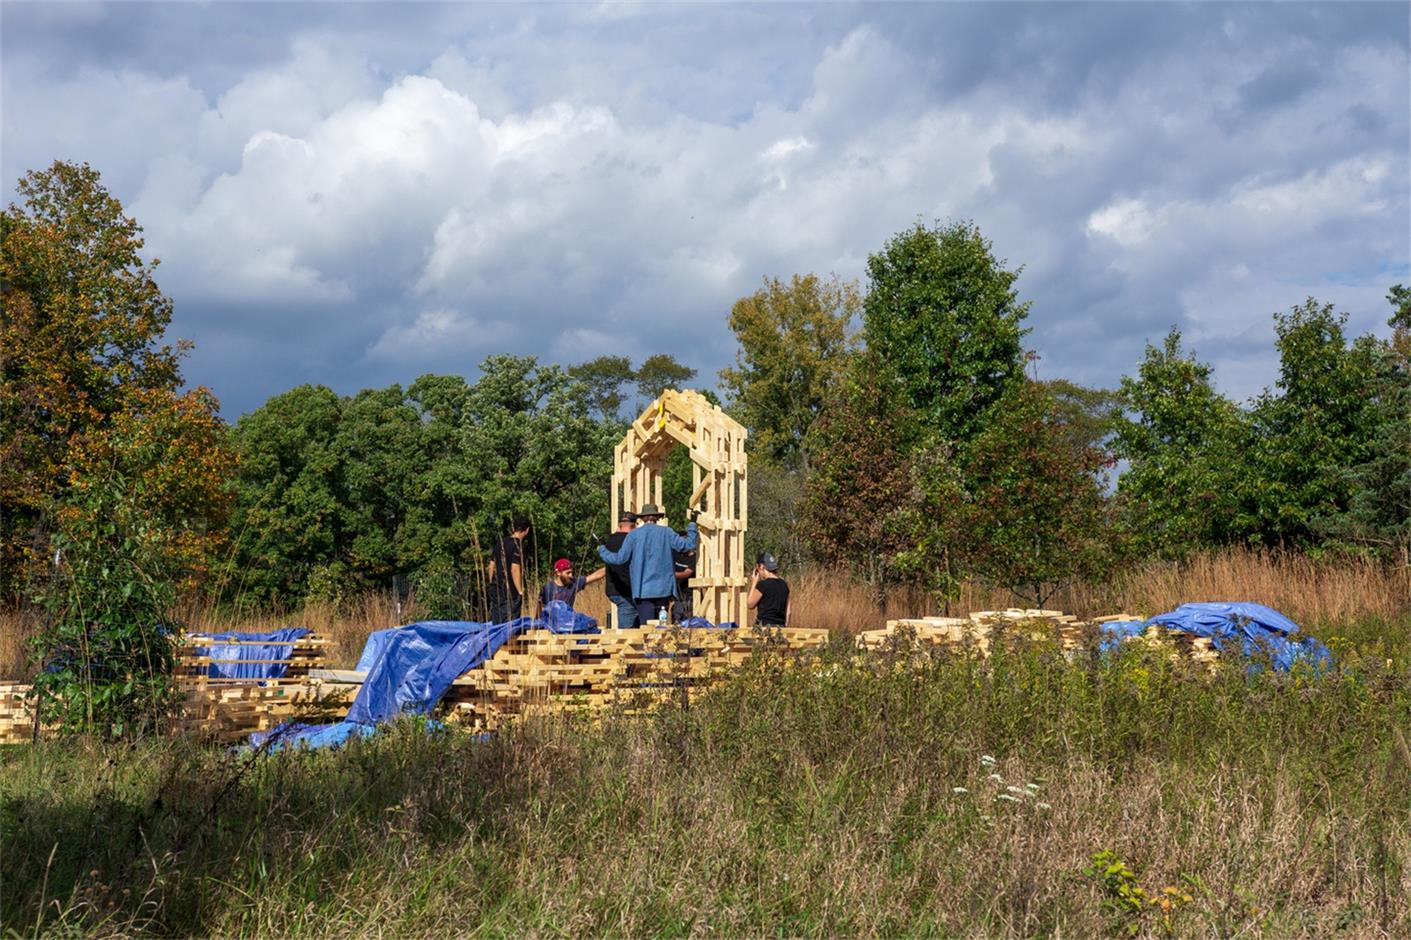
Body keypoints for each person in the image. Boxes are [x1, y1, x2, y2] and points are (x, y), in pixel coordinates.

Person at [597, 502, 698, 625]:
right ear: (657, 517)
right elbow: (688, 545)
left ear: (642, 518)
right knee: (662, 628)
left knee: (646, 629)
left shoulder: (633, 535)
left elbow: (619, 559)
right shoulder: (667, 533)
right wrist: (692, 524)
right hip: (664, 591)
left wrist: (602, 550)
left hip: (642, 591)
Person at [486, 516, 531, 624]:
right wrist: (520, 592)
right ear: (527, 529)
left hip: (496, 589)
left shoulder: (500, 543)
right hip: (510, 592)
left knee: (498, 624)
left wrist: (493, 583)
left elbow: (491, 565)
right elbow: (514, 569)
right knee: (509, 626)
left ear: (514, 528)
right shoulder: (518, 545)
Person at [602, 511, 639, 628]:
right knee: (628, 634)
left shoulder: (611, 540)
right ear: (633, 526)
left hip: (616, 590)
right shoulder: (627, 541)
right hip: (624, 592)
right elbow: (624, 570)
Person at [537, 558, 605, 614]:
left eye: (571, 572)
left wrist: (612, 564)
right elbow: (539, 609)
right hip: (551, 625)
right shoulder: (547, 588)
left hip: (568, 623)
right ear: (558, 573)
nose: (571, 575)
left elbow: (596, 575)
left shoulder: (573, 583)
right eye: (568, 573)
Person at [747, 551, 790, 627]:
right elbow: (788, 612)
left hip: (764, 628)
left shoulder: (763, 585)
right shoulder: (784, 585)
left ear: (761, 567)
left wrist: (754, 583)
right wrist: (784, 627)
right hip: (780, 628)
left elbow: (750, 604)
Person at [671, 542, 697, 623]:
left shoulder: (695, 558)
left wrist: (669, 574)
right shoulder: (674, 553)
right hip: (675, 591)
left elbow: (686, 573)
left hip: (688, 593)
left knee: (686, 614)